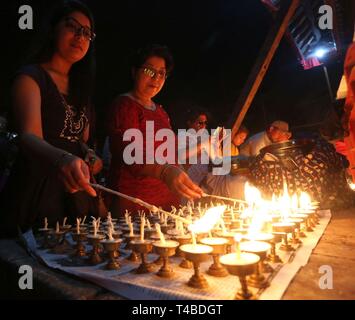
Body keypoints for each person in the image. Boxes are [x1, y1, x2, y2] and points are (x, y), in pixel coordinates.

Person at [0, 0, 101, 237]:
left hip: (75, 194)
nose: (80, 36)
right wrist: (63, 158)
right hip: (37, 190)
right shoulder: (31, 77)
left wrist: (90, 155)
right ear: (53, 28)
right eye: (72, 26)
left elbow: (77, 139)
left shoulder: (81, 89)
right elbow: (28, 135)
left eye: (87, 33)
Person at [107, 44, 202, 215]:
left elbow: (169, 154)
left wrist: (182, 176)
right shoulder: (125, 106)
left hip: (166, 201)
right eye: (150, 71)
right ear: (134, 71)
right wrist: (165, 171)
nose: (156, 78)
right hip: (135, 202)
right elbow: (131, 154)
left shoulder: (161, 111)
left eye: (161, 73)